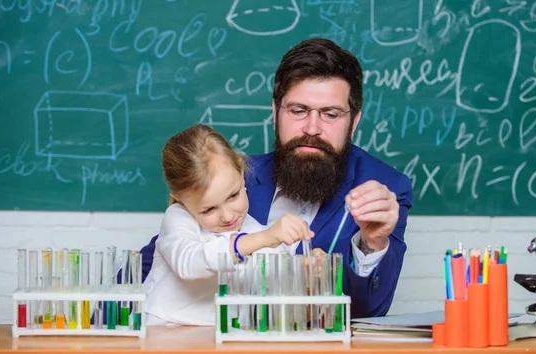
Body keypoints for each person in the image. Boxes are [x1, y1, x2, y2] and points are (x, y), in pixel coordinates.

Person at [140, 38, 413, 319]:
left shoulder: (385, 188)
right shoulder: (234, 177)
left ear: (353, 121)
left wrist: (372, 245)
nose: (312, 128)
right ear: (275, 111)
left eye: (330, 114)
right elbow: (150, 269)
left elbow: (368, 312)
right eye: (298, 110)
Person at [144, 124, 313, 326]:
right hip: (160, 334)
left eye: (233, 196)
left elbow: (276, 293)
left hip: (220, 338)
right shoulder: (179, 218)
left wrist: (306, 273)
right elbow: (191, 263)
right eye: (209, 210)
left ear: (241, 173)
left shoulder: (253, 231)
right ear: (180, 200)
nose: (227, 216)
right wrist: (264, 239)